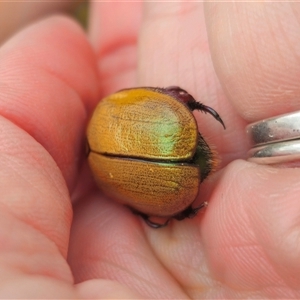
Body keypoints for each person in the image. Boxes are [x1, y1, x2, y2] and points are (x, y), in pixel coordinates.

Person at [1, 2, 300, 298]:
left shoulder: (106, 181)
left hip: (174, 186)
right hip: (173, 140)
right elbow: (155, 95)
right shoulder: (106, 111)